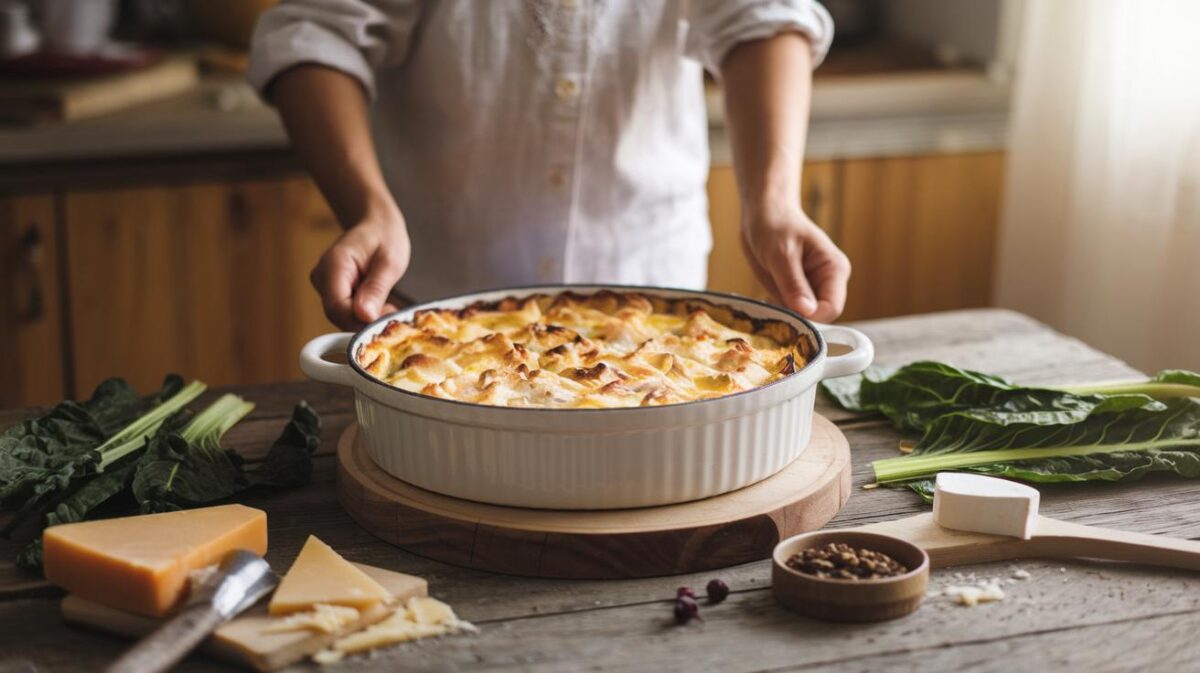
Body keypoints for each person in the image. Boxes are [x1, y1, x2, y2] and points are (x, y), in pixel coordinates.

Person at [248, 0, 849, 330]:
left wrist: (774, 202)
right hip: (432, 306)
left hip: (659, 309)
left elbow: (761, 16)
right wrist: (367, 209)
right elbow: (318, 32)